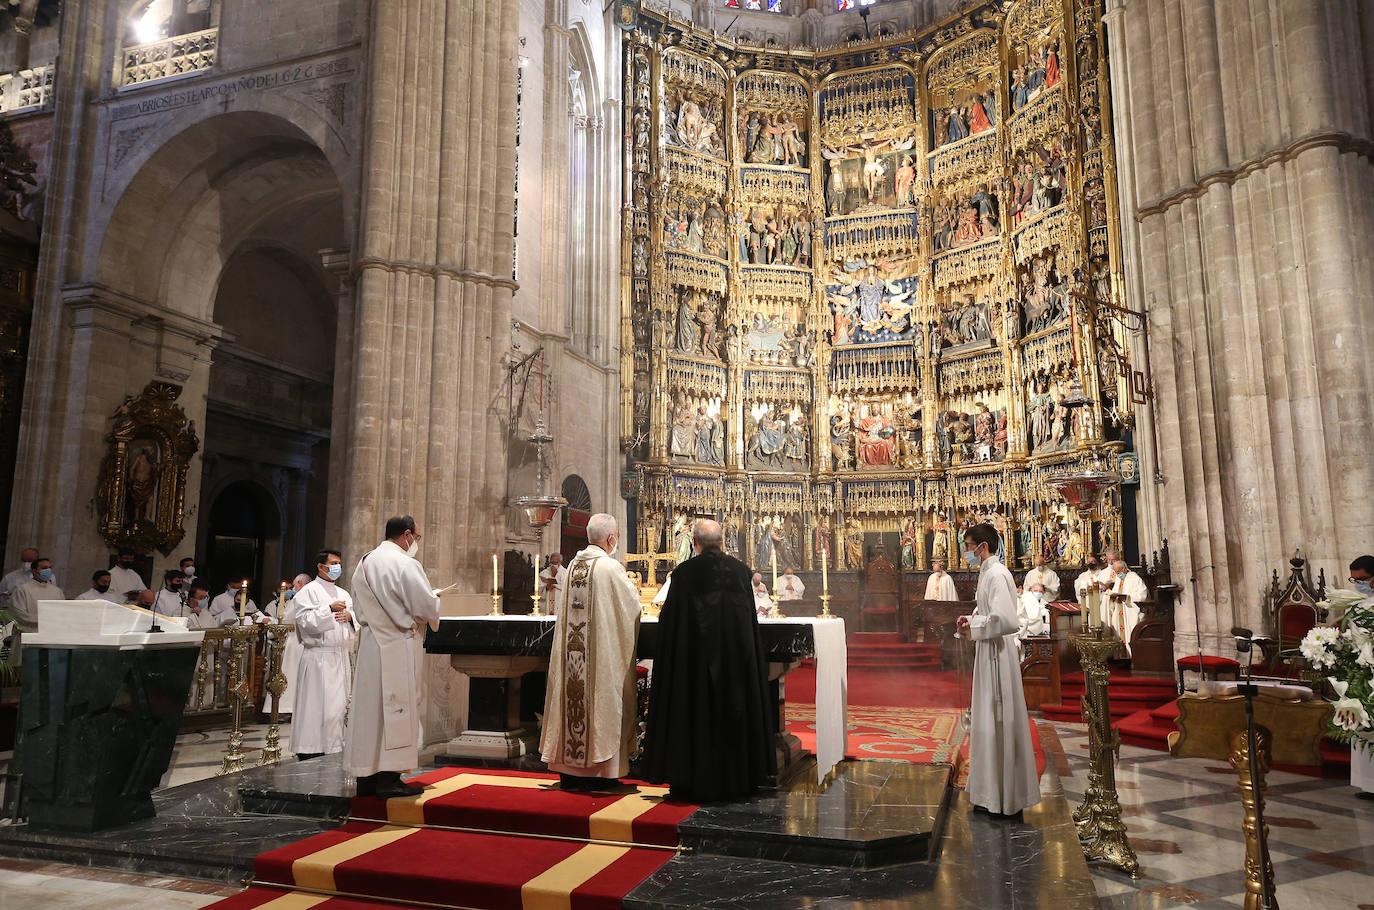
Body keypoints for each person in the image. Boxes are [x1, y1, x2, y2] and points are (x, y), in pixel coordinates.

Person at [644, 519, 775, 801]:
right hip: (736, 667)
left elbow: (670, 624)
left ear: (694, 543)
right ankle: (739, 777)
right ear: (722, 542)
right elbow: (748, 624)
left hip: (693, 668)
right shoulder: (741, 572)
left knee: (695, 715)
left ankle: (691, 777)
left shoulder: (684, 573)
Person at [540, 514, 642, 790]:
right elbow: (632, 607)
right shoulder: (610, 568)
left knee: (571, 697)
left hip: (573, 660)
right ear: (611, 539)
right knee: (601, 699)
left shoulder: (572, 566)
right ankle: (601, 774)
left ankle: (569, 771)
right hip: (599, 658)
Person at [344, 515, 440, 799]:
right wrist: (435, 601)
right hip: (398, 645)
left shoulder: (364, 563)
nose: (416, 543)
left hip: (372, 646)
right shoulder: (405, 564)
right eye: (417, 538)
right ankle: (388, 779)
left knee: (369, 712)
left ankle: (366, 779)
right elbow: (425, 608)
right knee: (396, 711)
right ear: (407, 535)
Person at [956, 523, 1040, 818]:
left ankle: (1005, 799)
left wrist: (977, 623)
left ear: (982, 547)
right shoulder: (988, 573)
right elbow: (989, 613)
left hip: (997, 656)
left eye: (968, 546)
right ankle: (989, 794)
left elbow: (1006, 621)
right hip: (988, 652)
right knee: (988, 722)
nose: (966, 552)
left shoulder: (996, 573)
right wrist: (971, 619)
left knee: (999, 720)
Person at [290, 550, 357, 761]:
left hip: (339, 656)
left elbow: (354, 618)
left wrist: (350, 616)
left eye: (339, 563)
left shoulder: (344, 593)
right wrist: (328, 609)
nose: (338, 567)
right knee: (315, 706)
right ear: (320, 566)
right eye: (333, 563)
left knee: (337, 708)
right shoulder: (307, 592)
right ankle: (310, 748)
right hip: (318, 657)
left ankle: (335, 746)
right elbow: (304, 621)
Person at [5, 556, 64, 665]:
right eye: (44, 568)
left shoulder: (57, 592)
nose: (48, 570)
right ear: (34, 570)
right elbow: (19, 615)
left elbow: (62, 613)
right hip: (27, 637)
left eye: (50, 568)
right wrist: (47, 620)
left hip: (50, 638)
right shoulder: (23, 590)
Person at [279, 573, 313, 715]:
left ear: (300, 583)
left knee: (291, 675)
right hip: (305, 640)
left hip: (295, 640)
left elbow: (286, 619)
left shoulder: (299, 598)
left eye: (293, 585)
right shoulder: (312, 596)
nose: (292, 588)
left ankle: (289, 708)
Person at [1106, 558, 1148, 655]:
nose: (1117, 574)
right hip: (1120, 610)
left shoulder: (1135, 578)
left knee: (1131, 633)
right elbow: (1116, 591)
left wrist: (1127, 597)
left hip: (1130, 611)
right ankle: (1121, 656)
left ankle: (1133, 656)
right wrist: (1112, 596)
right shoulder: (1118, 578)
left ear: (1125, 569)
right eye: (1116, 572)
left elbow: (1142, 595)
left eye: (1118, 572)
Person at [1016, 583, 1052, 658]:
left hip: (1025, 632)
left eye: (1040, 591)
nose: (1037, 593)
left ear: (1020, 588)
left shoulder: (1030, 598)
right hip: (1019, 631)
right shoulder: (1023, 598)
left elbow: (1033, 618)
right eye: (1035, 590)